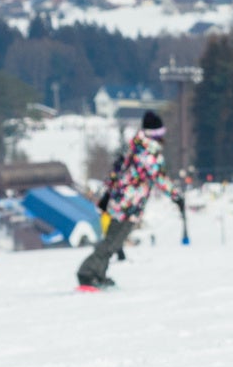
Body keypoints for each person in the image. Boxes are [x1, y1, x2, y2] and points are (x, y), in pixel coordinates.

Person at [77, 111, 185, 290]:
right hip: (128, 204)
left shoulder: (137, 147)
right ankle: (87, 272)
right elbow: (159, 178)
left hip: (124, 201)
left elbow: (118, 170)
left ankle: (98, 273)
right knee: (112, 241)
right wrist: (176, 196)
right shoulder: (148, 154)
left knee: (114, 241)